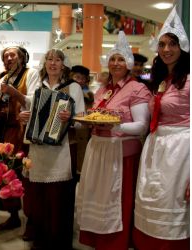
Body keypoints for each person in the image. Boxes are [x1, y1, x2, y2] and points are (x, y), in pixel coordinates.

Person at [76, 31, 152, 250]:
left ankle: (115, 244)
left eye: (121, 59)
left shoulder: (137, 89)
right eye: (112, 59)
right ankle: (99, 242)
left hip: (120, 155)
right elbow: (93, 117)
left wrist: (114, 126)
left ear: (128, 63)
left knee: (116, 203)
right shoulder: (102, 89)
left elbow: (141, 126)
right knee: (97, 200)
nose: (116, 63)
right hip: (98, 151)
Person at [133, 7, 190, 249]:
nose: (166, 50)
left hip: (181, 149)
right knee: (152, 202)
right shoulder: (160, 80)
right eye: (162, 44)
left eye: (172, 44)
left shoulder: (189, 80)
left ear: (183, 47)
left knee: (172, 203)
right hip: (156, 147)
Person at [19, 49, 84, 250]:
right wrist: (23, 117)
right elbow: (28, 113)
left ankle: (58, 244)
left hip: (60, 151)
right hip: (38, 151)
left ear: (64, 64)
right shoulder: (38, 86)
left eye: (57, 60)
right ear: (44, 63)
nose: (53, 63)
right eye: (49, 59)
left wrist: (71, 119)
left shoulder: (73, 87)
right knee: (39, 200)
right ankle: (40, 242)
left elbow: (82, 120)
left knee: (59, 200)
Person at [0, 46, 39, 234]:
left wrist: (14, 92)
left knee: (21, 175)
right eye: (6, 56)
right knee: (5, 174)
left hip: (20, 132)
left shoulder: (31, 74)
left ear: (22, 58)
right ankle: (14, 216)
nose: (9, 58)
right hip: (3, 133)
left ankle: (30, 220)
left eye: (12, 55)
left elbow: (33, 101)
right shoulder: (4, 78)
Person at [70, 65, 94, 178]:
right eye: (77, 77)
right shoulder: (67, 92)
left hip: (84, 134)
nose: (80, 81)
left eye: (83, 78)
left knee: (82, 163)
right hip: (71, 135)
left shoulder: (90, 96)